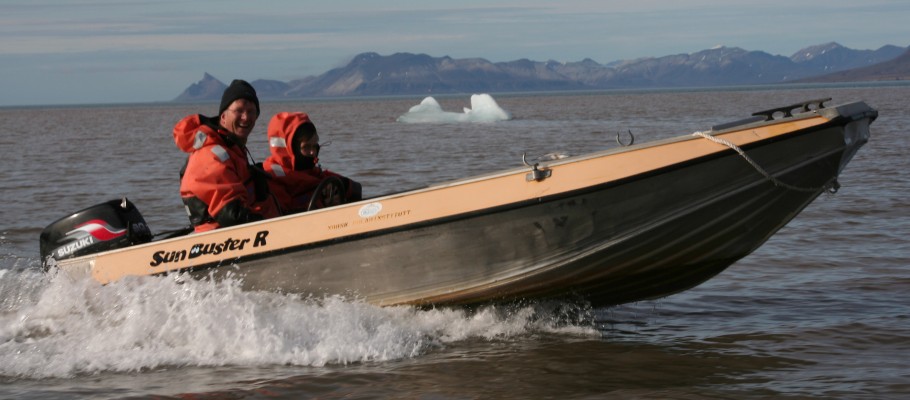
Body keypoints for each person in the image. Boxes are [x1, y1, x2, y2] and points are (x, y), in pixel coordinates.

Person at [174, 79, 280, 232]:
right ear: (223, 116)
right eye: (239, 111)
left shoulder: (233, 152)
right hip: (219, 239)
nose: (246, 117)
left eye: (251, 112)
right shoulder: (210, 155)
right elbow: (230, 215)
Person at [263, 112, 361, 214]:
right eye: (306, 147)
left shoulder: (314, 173)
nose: (313, 152)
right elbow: (285, 217)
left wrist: (340, 187)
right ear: (291, 149)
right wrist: (322, 202)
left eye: (314, 145)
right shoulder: (271, 179)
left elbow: (356, 189)